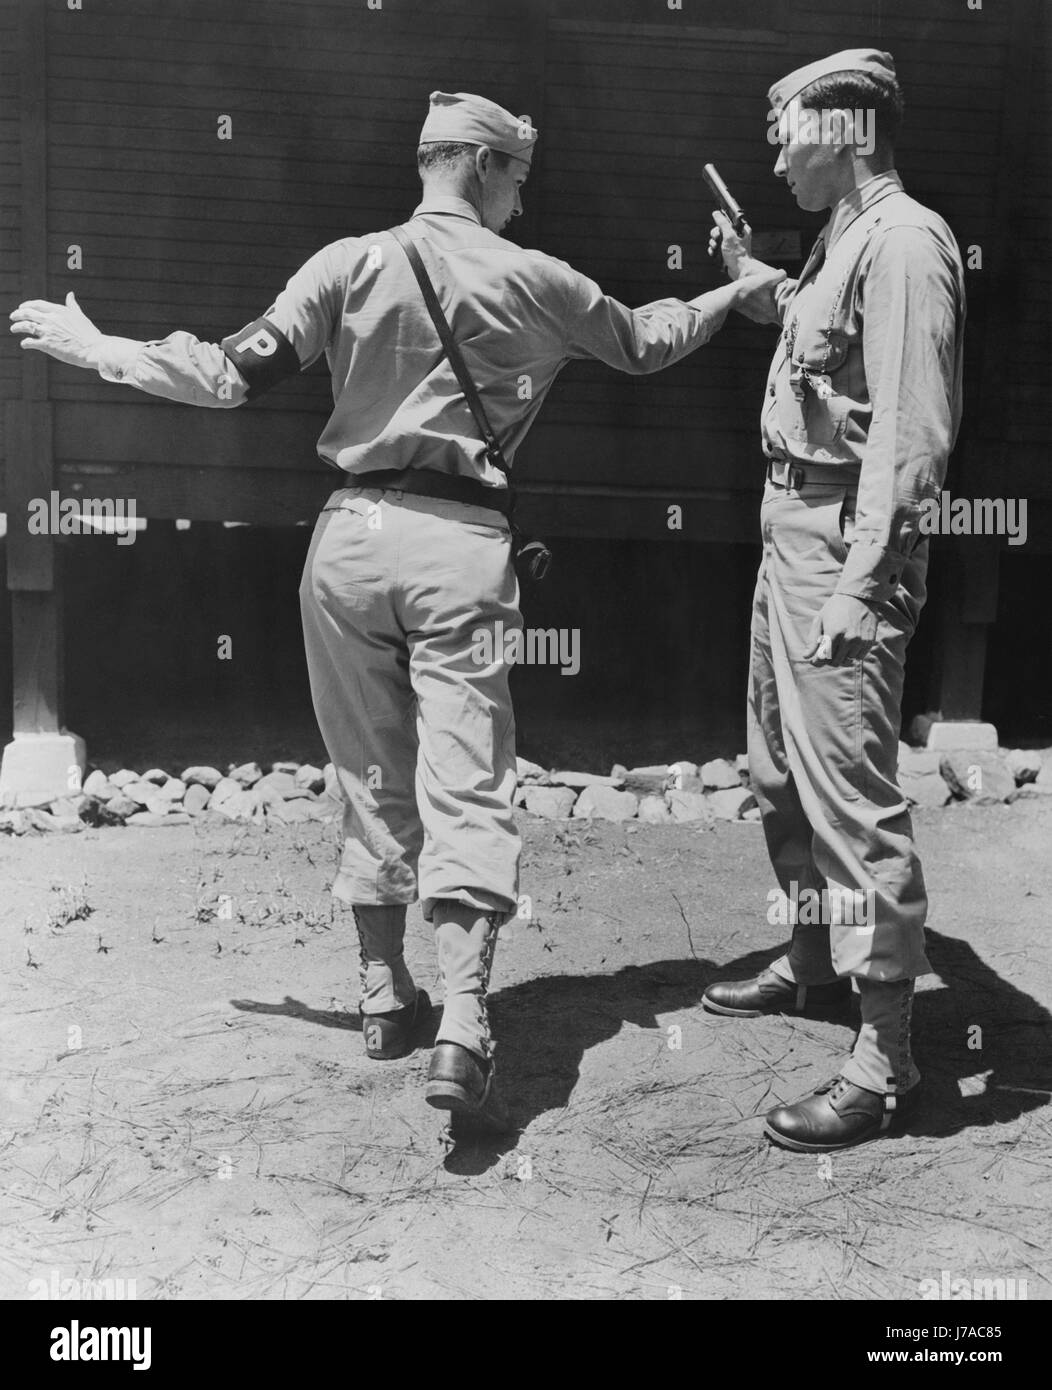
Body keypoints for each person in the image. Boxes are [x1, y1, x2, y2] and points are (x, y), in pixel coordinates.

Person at [12, 90, 784, 1132]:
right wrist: (732, 292)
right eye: (515, 179)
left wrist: (102, 346)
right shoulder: (534, 278)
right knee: (466, 779)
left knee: (367, 770)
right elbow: (645, 340)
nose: (520, 201)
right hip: (458, 546)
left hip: (347, 544)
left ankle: (383, 995)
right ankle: (465, 1022)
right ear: (479, 166)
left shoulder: (345, 263)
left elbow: (231, 374)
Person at [703, 50, 966, 1151]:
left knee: (849, 795)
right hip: (789, 535)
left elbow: (905, 438)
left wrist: (863, 585)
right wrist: (749, 273)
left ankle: (884, 1056)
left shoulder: (904, 243)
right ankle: (815, 958)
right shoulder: (843, 239)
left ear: (846, 128)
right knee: (778, 772)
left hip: (842, 546)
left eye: (785, 133)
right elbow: (822, 337)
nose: (772, 155)